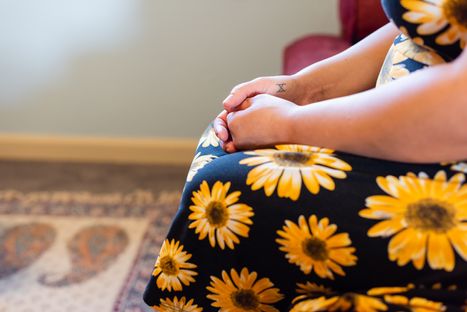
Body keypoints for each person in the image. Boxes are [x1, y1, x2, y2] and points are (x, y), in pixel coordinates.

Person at [144, 0, 467, 311]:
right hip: (414, 134)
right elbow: (424, 26)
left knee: (227, 191)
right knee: (223, 142)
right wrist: (302, 88)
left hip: (444, 150)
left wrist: (286, 123)